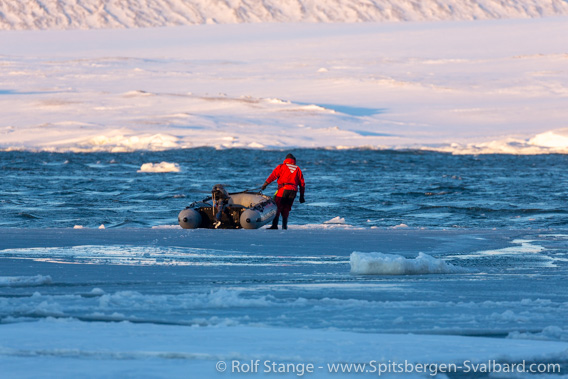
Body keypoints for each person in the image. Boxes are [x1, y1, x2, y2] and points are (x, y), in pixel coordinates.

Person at [261, 153, 305, 230]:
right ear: (294, 161)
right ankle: (284, 226)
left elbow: (273, 176)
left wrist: (265, 184)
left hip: (283, 189)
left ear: (286, 160)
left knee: (277, 206)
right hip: (293, 191)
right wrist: (302, 196)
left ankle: (275, 225)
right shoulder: (297, 168)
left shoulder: (281, 166)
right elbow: (302, 183)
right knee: (286, 208)